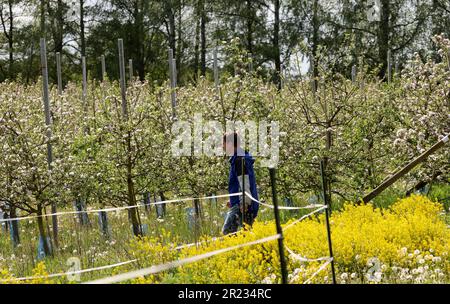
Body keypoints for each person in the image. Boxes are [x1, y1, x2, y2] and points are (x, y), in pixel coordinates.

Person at [222, 132, 259, 235]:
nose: (222, 146)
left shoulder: (239, 160)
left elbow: (245, 182)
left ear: (230, 143)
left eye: (223, 143)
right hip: (242, 202)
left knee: (227, 232)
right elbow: (240, 183)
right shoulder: (239, 158)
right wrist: (233, 200)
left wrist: (244, 203)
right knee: (246, 233)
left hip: (243, 205)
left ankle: (236, 250)